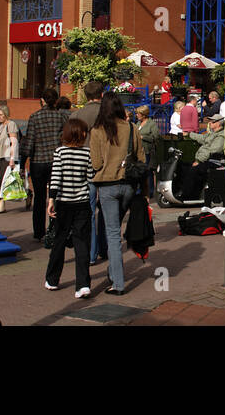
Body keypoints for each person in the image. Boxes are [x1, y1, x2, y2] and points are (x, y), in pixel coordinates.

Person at [87, 93, 145, 296]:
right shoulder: (131, 128)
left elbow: (95, 164)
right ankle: (113, 273)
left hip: (107, 184)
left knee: (112, 233)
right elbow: (141, 157)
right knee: (115, 229)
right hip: (128, 184)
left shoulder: (97, 130)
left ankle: (118, 283)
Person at [45, 117, 97, 297]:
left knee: (59, 241)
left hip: (63, 202)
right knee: (81, 243)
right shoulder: (87, 153)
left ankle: (52, 279)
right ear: (81, 134)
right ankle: (83, 285)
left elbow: (56, 177)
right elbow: (90, 177)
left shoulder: (60, 152)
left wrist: (51, 200)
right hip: (82, 202)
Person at [20, 88, 70, 241]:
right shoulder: (61, 117)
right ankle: (54, 228)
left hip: (38, 162)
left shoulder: (35, 117)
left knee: (40, 197)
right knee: (55, 196)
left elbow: (29, 143)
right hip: (56, 161)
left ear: (42, 100)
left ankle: (38, 231)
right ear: (55, 101)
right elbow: (65, 139)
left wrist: (22, 163)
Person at [0, 106, 20, 214]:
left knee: (2, 181)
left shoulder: (11, 125)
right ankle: (28, 194)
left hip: (8, 157)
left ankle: (1, 205)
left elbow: (14, 142)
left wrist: (12, 159)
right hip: (0, 157)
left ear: (6, 114)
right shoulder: (1, 127)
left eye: (0, 115)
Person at [134, 104, 159, 197]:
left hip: (148, 151)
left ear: (144, 115)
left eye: (138, 114)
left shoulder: (151, 124)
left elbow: (155, 137)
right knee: (139, 171)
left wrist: (143, 137)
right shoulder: (137, 124)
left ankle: (150, 191)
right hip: (138, 151)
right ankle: (140, 189)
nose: (137, 115)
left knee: (148, 171)